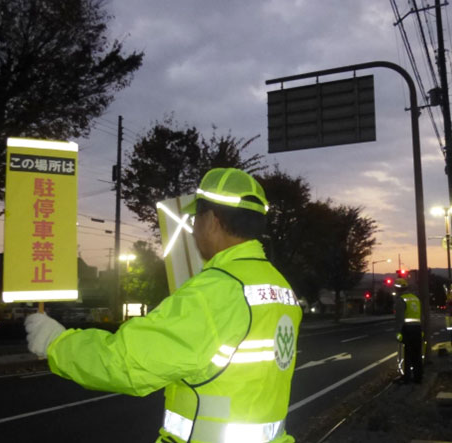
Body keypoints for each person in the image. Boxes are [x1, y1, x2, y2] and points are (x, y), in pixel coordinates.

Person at [25, 168, 302, 443]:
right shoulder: (279, 287)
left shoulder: (216, 292)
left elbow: (126, 363)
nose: (193, 230)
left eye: (196, 219)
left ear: (212, 221)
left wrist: (56, 342)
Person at [394, 278, 422, 383]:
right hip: (417, 328)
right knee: (417, 354)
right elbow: (421, 315)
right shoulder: (415, 298)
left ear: (397, 288)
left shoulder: (401, 300)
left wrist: (398, 333)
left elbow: (399, 318)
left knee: (407, 354)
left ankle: (406, 377)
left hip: (407, 329)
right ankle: (418, 377)